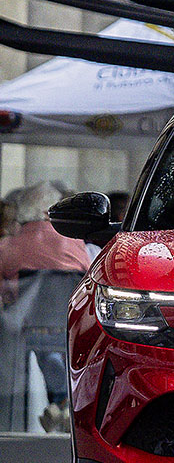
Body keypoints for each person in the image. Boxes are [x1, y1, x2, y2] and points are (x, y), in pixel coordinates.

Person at [0, 182, 89, 432]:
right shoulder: (75, 245)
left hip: (25, 333)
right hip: (68, 328)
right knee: (54, 352)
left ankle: (56, 402)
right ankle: (61, 401)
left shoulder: (8, 247)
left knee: (43, 350)